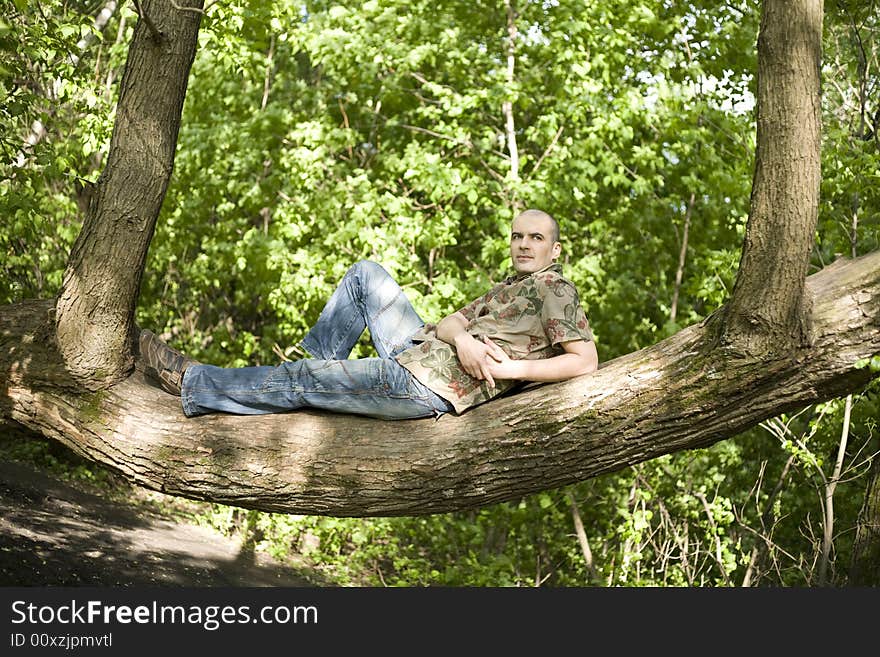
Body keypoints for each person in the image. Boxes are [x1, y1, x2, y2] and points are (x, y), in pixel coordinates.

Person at [138, 209, 598, 419]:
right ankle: (314, 372)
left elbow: (584, 361)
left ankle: (195, 383)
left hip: (427, 384)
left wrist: (512, 368)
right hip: (423, 349)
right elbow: (449, 322)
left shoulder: (554, 287)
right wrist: (463, 339)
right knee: (366, 275)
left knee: (303, 377)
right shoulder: (508, 287)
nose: (523, 244)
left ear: (554, 249)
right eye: (518, 236)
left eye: (535, 238)